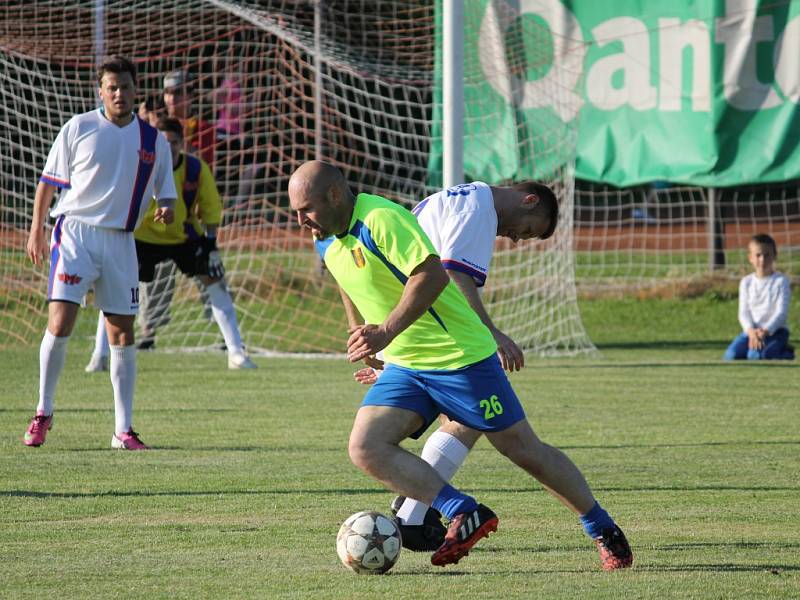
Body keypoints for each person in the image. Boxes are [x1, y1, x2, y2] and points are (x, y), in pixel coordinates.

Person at [288, 161, 633, 570]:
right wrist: (361, 331)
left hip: (459, 357)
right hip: (407, 363)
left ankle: (602, 527)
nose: (300, 220)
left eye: (305, 209)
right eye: (295, 211)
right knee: (365, 447)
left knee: (523, 450)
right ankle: (461, 510)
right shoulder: (326, 236)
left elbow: (434, 277)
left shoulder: (380, 219)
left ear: (333, 195)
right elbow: (346, 279)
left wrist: (385, 332)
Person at [347, 181, 558, 551]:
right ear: (529, 200)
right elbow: (453, 276)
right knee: (473, 419)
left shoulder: (456, 198)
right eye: (526, 230)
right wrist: (492, 335)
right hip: (425, 332)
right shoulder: (477, 208)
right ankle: (414, 513)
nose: (515, 239)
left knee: (458, 420)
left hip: (407, 328)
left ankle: (413, 509)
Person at [24, 55, 176, 450]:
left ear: (135, 89)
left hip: (121, 242)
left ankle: (122, 431)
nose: (119, 93)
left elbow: (167, 191)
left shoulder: (153, 139)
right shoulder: (79, 127)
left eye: (125, 86)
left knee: (122, 332)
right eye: (112, 87)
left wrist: (166, 206)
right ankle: (43, 412)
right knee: (61, 322)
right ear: (101, 91)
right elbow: (47, 183)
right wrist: (37, 230)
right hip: (75, 234)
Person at [85, 116, 257, 370]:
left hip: (183, 236)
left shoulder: (196, 169)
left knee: (215, 281)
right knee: (116, 290)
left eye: (174, 142)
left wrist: (210, 245)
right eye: (164, 142)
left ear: (182, 143)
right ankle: (99, 356)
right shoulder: (140, 168)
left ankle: (235, 353)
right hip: (143, 237)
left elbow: (211, 207)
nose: (169, 147)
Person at [723, 233, 794, 361]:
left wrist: (765, 331)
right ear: (750, 258)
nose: (762, 260)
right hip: (752, 332)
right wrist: (751, 332)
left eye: (767, 255)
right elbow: (743, 313)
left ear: (774, 256)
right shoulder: (746, 282)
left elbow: (781, 313)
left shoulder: (781, 281)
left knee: (756, 355)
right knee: (731, 356)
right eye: (758, 255)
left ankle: (787, 352)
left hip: (775, 331)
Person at [162, 69, 216, 165]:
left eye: (178, 92)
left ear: (190, 95)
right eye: (167, 92)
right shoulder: (156, 125)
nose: (172, 98)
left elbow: (201, 165)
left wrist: (174, 136)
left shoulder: (203, 128)